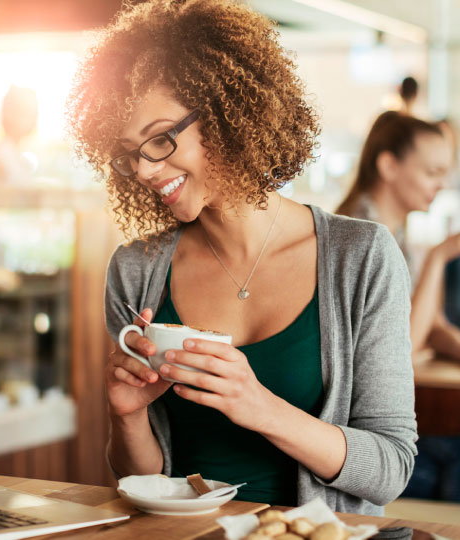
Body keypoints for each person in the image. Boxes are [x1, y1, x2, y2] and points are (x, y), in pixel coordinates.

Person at [67, 0, 416, 515]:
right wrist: (127, 417)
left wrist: (260, 408)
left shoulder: (360, 256)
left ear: (230, 113)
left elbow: (390, 469)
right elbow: (141, 483)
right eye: (129, 153)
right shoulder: (135, 271)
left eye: (160, 139)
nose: (143, 169)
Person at [336, 111, 460, 362]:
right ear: (389, 166)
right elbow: (402, 349)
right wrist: (438, 257)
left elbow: (431, 325)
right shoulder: (361, 238)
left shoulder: (396, 235)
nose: (442, 185)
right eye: (431, 173)